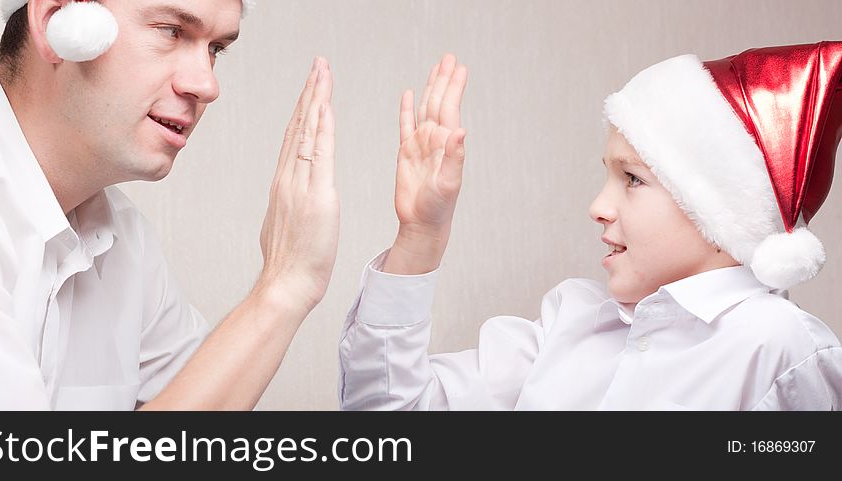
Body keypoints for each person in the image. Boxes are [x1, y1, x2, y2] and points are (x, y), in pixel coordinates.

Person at [0, 0, 339, 409]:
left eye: (215, 49)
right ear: (57, 23)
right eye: (172, 31)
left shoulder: (125, 245)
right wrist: (282, 287)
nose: (207, 84)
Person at [338, 45, 842, 410]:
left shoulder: (779, 346)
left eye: (632, 179)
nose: (598, 206)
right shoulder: (571, 320)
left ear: (718, 211)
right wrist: (419, 238)